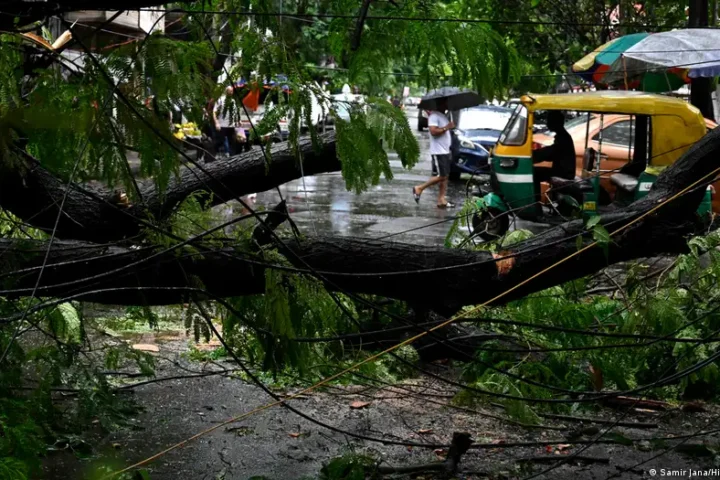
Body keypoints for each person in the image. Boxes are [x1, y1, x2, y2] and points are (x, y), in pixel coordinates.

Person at [412, 98, 455, 208]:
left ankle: (441, 199)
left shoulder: (442, 116)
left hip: (445, 151)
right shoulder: (434, 116)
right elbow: (433, 131)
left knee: (445, 176)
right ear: (440, 104)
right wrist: (447, 127)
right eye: (445, 103)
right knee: (442, 176)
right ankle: (419, 188)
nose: (447, 105)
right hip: (438, 151)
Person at [531, 110, 576, 209]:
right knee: (536, 171)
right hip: (561, 170)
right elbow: (551, 153)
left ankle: (535, 205)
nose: (547, 123)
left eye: (549, 121)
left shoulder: (563, 138)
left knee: (534, 173)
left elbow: (550, 153)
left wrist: (533, 156)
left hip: (564, 173)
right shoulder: (562, 136)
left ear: (556, 122)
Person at [212, 86, 248, 158]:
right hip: (222, 125)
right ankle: (215, 155)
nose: (232, 93)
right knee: (220, 141)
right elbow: (214, 112)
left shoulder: (232, 101)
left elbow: (234, 112)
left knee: (232, 142)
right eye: (230, 91)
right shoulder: (220, 100)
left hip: (231, 125)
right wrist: (216, 123)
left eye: (232, 91)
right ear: (226, 91)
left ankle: (232, 157)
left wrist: (238, 120)